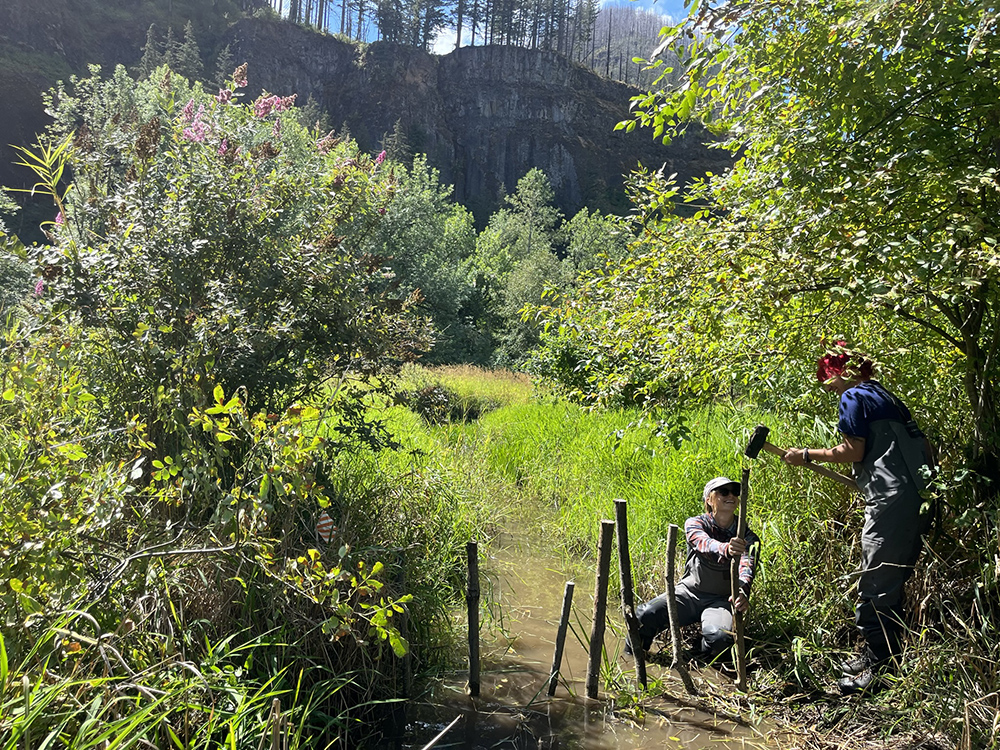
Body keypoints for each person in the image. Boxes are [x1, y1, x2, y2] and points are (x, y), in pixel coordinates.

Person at [783, 343, 933, 695]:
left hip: (891, 503)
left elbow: (854, 449)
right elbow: (925, 447)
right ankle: (876, 656)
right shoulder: (887, 397)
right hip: (918, 498)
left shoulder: (854, 397)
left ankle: (879, 672)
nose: (830, 387)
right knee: (889, 579)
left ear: (844, 372)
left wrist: (805, 454)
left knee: (875, 583)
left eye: (829, 379)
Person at [634, 476, 760, 660]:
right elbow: (703, 543)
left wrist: (742, 592)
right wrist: (725, 549)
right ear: (709, 499)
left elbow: (747, 567)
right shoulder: (695, 524)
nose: (731, 496)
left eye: (735, 492)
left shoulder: (748, 537)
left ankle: (699, 660)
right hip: (688, 594)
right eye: (723, 492)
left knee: (720, 638)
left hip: (721, 601)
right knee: (644, 615)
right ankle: (634, 660)